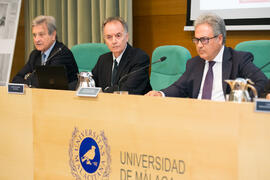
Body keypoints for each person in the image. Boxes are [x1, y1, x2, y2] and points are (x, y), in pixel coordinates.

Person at [145, 13, 268, 101]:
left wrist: (242, 99)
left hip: (226, 118)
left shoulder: (238, 60)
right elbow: (179, 87)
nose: (199, 45)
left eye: (204, 40)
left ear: (219, 39)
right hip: (197, 117)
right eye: (196, 40)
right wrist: (161, 94)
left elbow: (262, 82)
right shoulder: (194, 63)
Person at [12, 15, 78, 89]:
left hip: (63, 98)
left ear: (53, 35)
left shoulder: (62, 53)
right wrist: (30, 80)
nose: (36, 39)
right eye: (34, 35)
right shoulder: (35, 54)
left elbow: (48, 83)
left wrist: (27, 78)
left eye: (41, 35)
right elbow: (16, 79)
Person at [91, 17, 152, 95]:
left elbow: (127, 90)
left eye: (118, 35)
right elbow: (91, 85)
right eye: (109, 37)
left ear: (126, 37)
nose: (114, 41)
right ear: (105, 40)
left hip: (134, 105)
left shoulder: (139, 58)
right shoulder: (103, 59)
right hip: (106, 105)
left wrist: (104, 91)